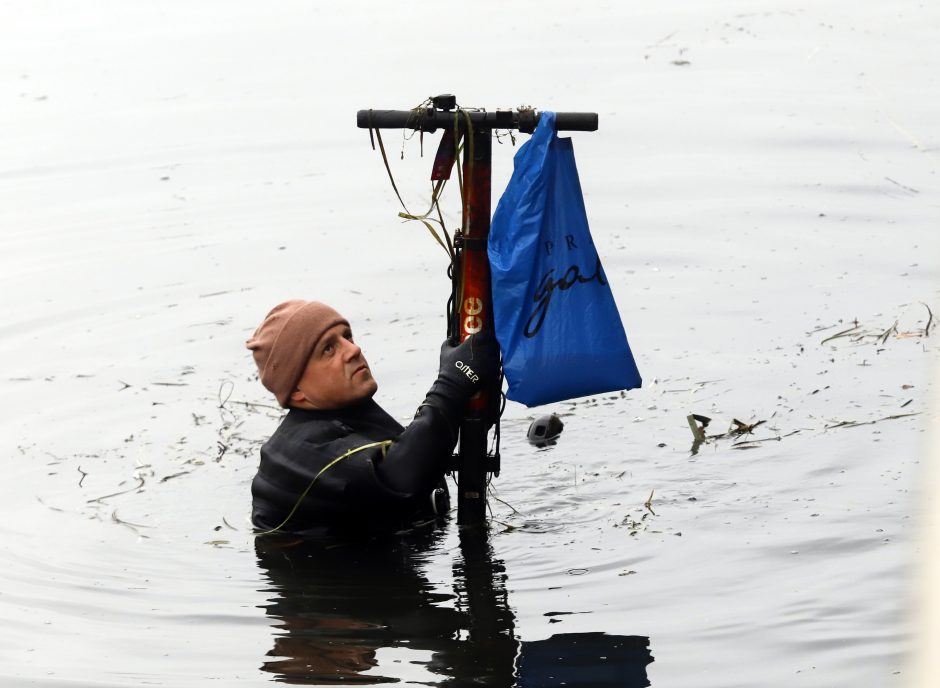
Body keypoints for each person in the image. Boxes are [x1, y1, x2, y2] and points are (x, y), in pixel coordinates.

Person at [246, 300, 499, 535]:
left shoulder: (350, 415)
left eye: (347, 336)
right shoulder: (300, 453)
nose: (353, 350)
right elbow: (399, 478)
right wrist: (452, 385)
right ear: (297, 390)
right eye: (328, 349)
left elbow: (411, 455)